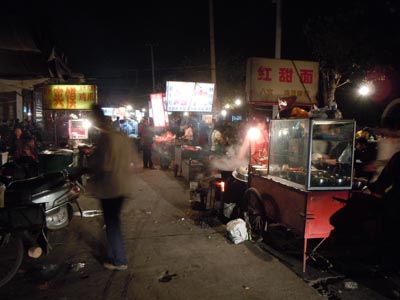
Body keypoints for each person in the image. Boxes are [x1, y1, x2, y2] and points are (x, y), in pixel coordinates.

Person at [87, 104, 135, 271]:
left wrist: (87, 168)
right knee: (113, 222)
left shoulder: (106, 139)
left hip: (110, 187)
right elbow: (133, 160)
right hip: (122, 186)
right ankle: (114, 254)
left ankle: (119, 260)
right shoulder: (121, 136)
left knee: (112, 223)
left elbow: (103, 165)